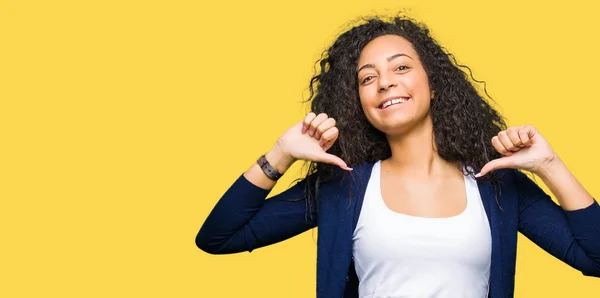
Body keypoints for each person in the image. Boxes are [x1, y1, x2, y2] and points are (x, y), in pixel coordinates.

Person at [195, 13, 600, 298]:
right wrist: (280, 154)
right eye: (368, 78)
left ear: (434, 85)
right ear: (360, 101)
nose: (385, 83)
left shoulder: (496, 184)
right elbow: (218, 238)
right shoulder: (345, 186)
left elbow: (595, 259)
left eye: (401, 67)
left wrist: (549, 165)